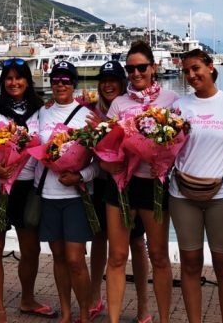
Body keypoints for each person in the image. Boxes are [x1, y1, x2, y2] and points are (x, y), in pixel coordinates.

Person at [0, 57, 55, 323]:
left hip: (27, 186)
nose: (14, 82)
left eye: (19, 78)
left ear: (28, 81)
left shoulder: (40, 109)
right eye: (9, 78)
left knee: (30, 249)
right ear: (3, 81)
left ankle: (27, 299)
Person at [102, 41, 180, 323]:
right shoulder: (119, 104)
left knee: (159, 257)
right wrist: (110, 162)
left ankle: (163, 319)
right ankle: (112, 319)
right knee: (118, 257)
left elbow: (181, 139)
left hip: (154, 183)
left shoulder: (171, 100)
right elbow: (106, 147)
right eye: (131, 68)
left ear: (153, 68)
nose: (136, 73)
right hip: (122, 184)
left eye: (141, 67)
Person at [169, 49, 223, 323]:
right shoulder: (179, 105)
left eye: (196, 68)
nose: (191, 75)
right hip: (182, 195)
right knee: (190, 264)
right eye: (186, 71)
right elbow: (166, 144)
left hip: (222, 194)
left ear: (211, 67)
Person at [86, 61, 150, 323]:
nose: (108, 84)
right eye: (103, 80)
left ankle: (143, 306)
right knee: (99, 238)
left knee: (136, 242)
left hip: (128, 181)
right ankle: (94, 297)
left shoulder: (126, 108)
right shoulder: (88, 111)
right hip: (100, 182)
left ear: (123, 83)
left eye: (113, 80)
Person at [36, 60, 97, 323]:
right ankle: (66, 310)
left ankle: (84, 312)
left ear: (74, 84)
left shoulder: (88, 116)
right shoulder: (42, 112)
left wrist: (80, 176)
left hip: (75, 197)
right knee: (58, 258)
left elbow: (100, 162)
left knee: (75, 259)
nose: (60, 85)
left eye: (66, 80)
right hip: (48, 195)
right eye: (56, 80)